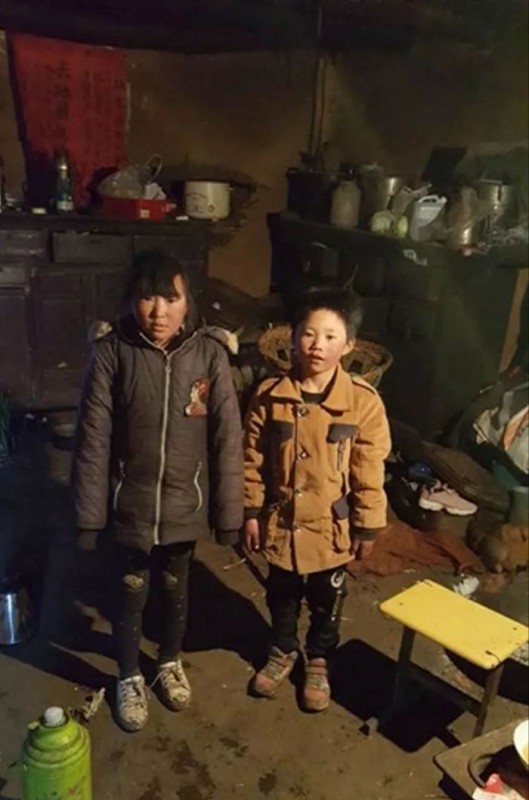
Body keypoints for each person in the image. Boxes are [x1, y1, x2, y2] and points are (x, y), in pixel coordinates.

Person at [72, 251, 243, 732]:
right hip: (130, 503)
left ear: (189, 303)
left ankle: (168, 661)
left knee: (175, 585)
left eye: (171, 298)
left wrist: (230, 514)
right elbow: (92, 439)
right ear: (132, 300)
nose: (159, 311)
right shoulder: (113, 353)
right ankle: (128, 674)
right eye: (148, 298)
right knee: (131, 588)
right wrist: (89, 517)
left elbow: (227, 438)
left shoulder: (209, 355)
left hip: (185, 503)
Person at [243, 288, 391, 712]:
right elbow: (251, 458)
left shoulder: (362, 402)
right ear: (292, 339)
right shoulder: (270, 396)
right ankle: (282, 649)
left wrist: (367, 526)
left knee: (328, 598)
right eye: (308, 334)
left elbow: (369, 470)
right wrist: (250, 511)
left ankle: (321, 659)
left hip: (332, 526)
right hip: (282, 522)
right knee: (282, 594)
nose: (317, 345)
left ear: (349, 345)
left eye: (330, 336)